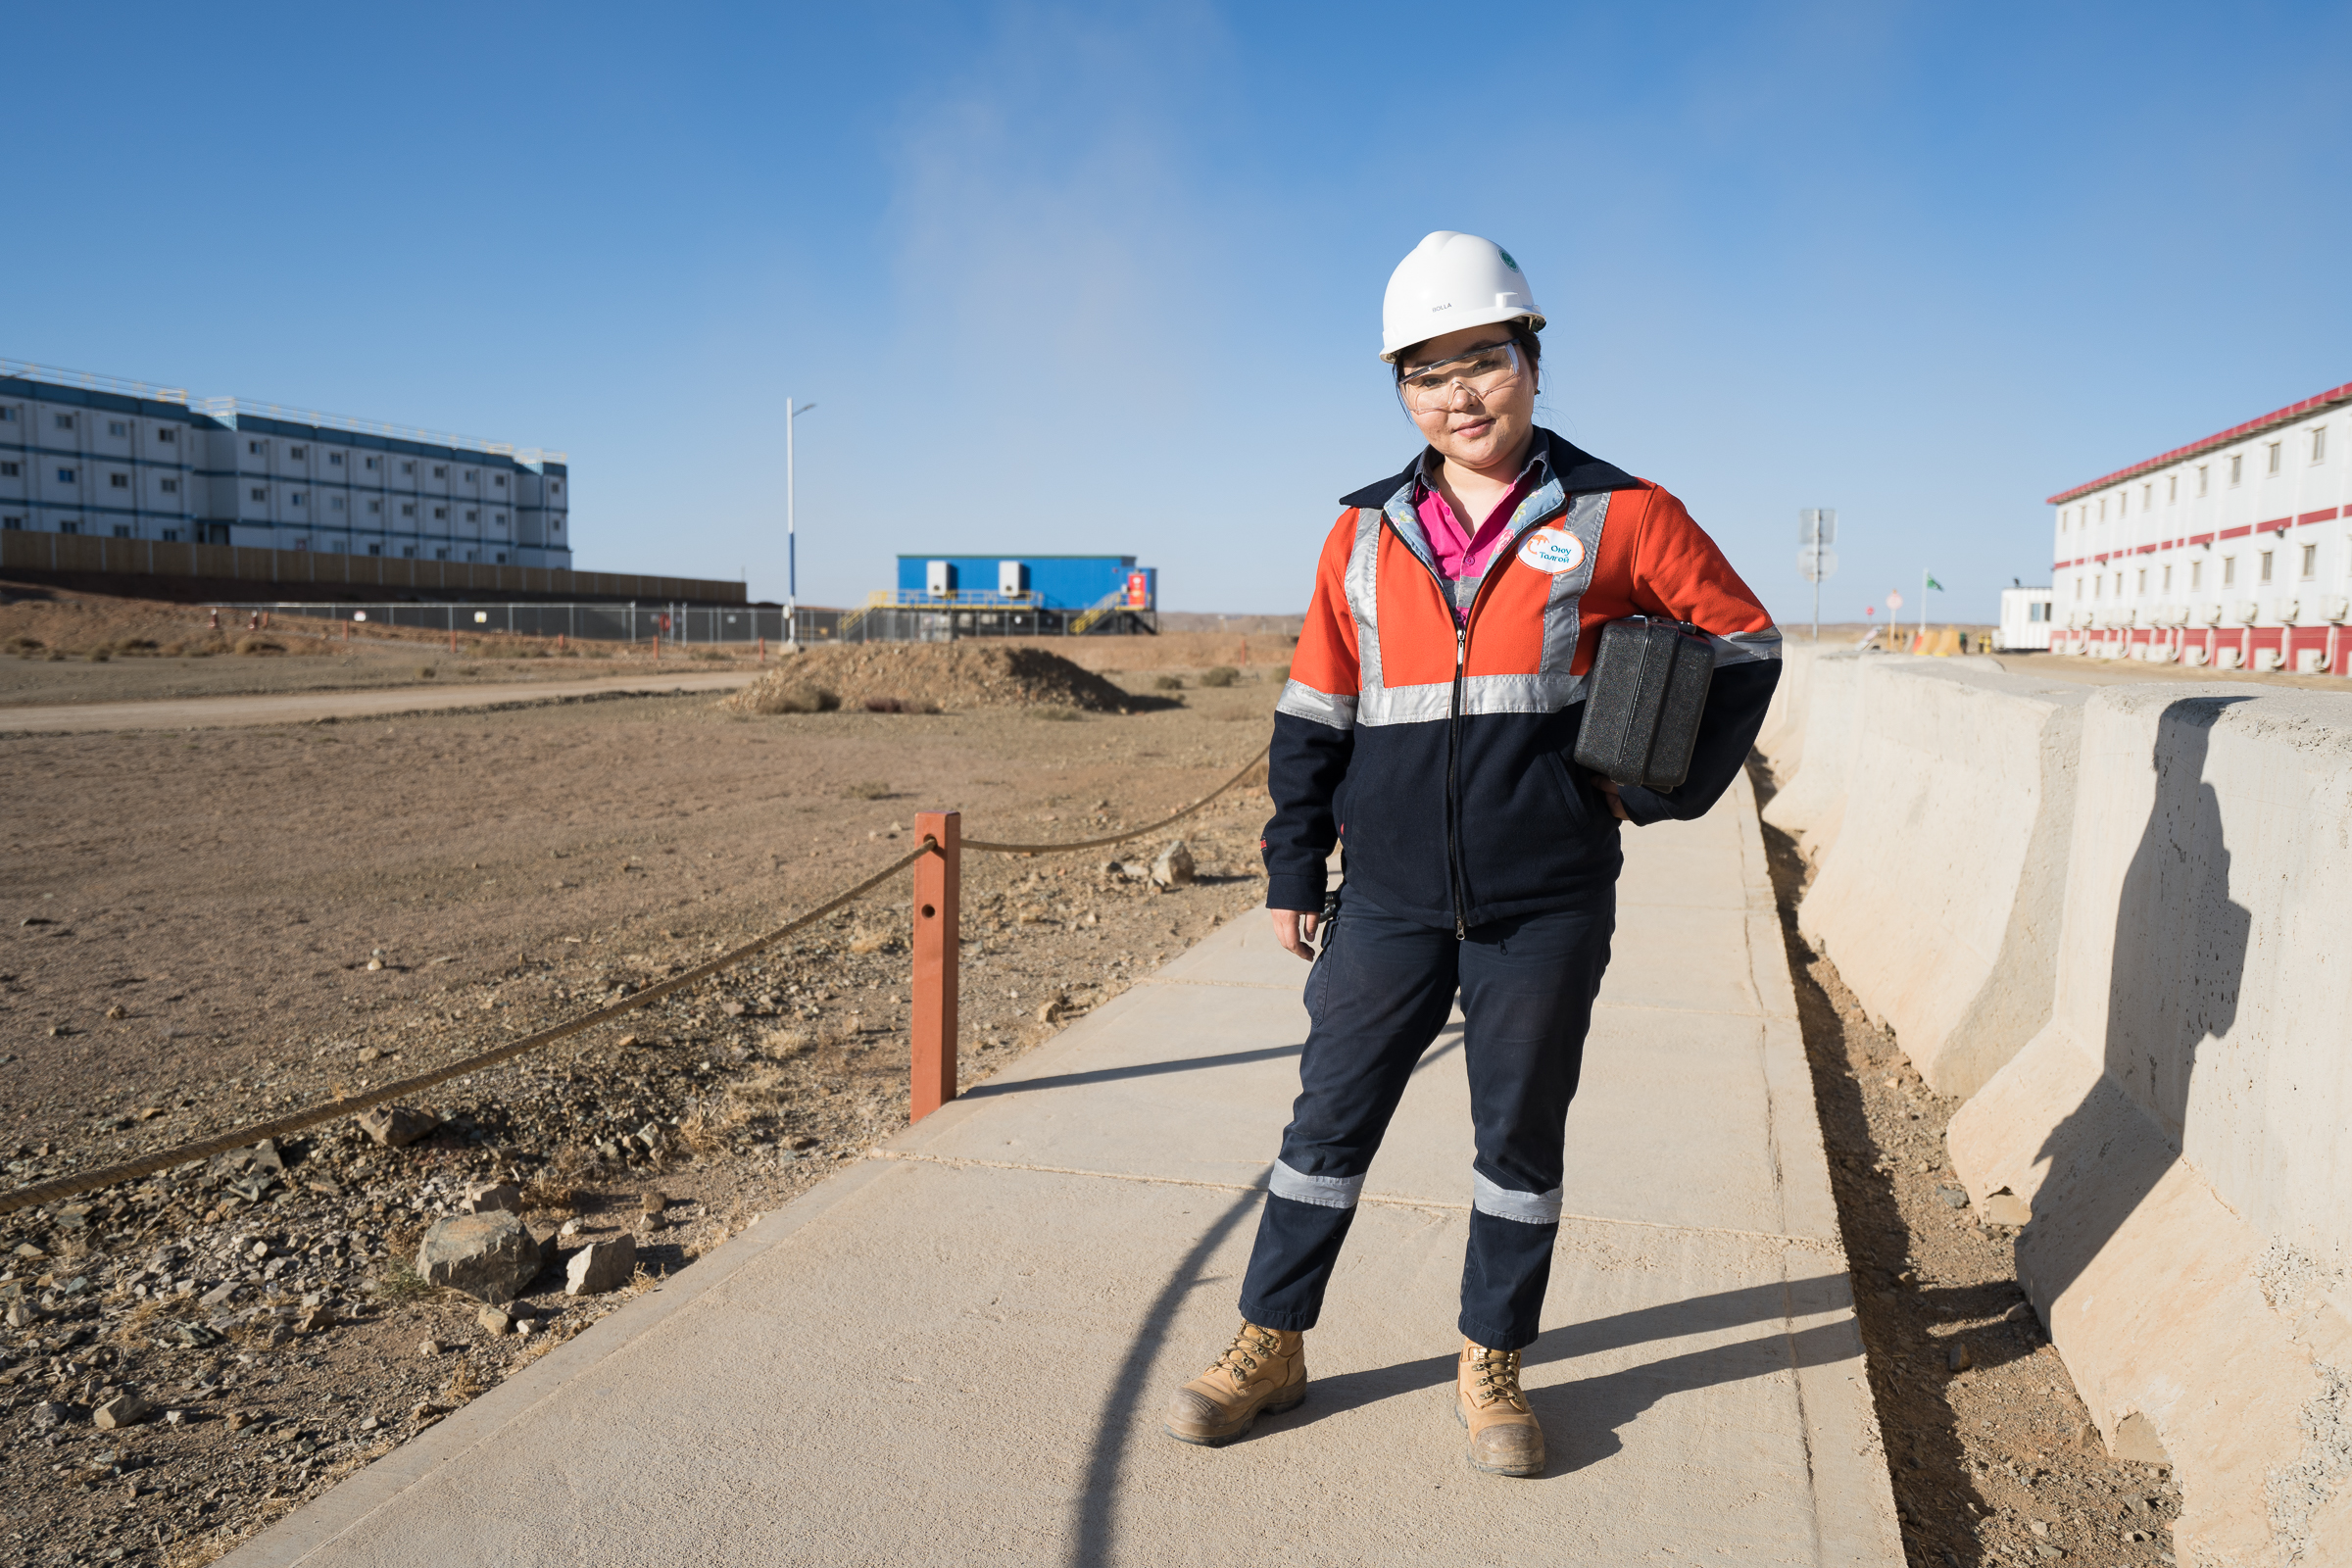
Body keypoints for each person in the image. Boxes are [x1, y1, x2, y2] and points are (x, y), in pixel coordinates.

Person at [1161, 231, 1782, 1477]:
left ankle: (1490, 1360)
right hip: (1386, 897)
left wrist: (1633, 791)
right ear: (1402, 389)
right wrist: (1295, 868)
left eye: (1483, 360)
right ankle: (1269, 1340)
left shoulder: (1624, 513)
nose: (1460, 394)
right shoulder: (1362, 534)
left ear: (1531, 359)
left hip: (1544, 900)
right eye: (1427, 371)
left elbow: (1747, 645)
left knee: (1519, 1141)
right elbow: (1314, 712)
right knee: (1323, 1129)